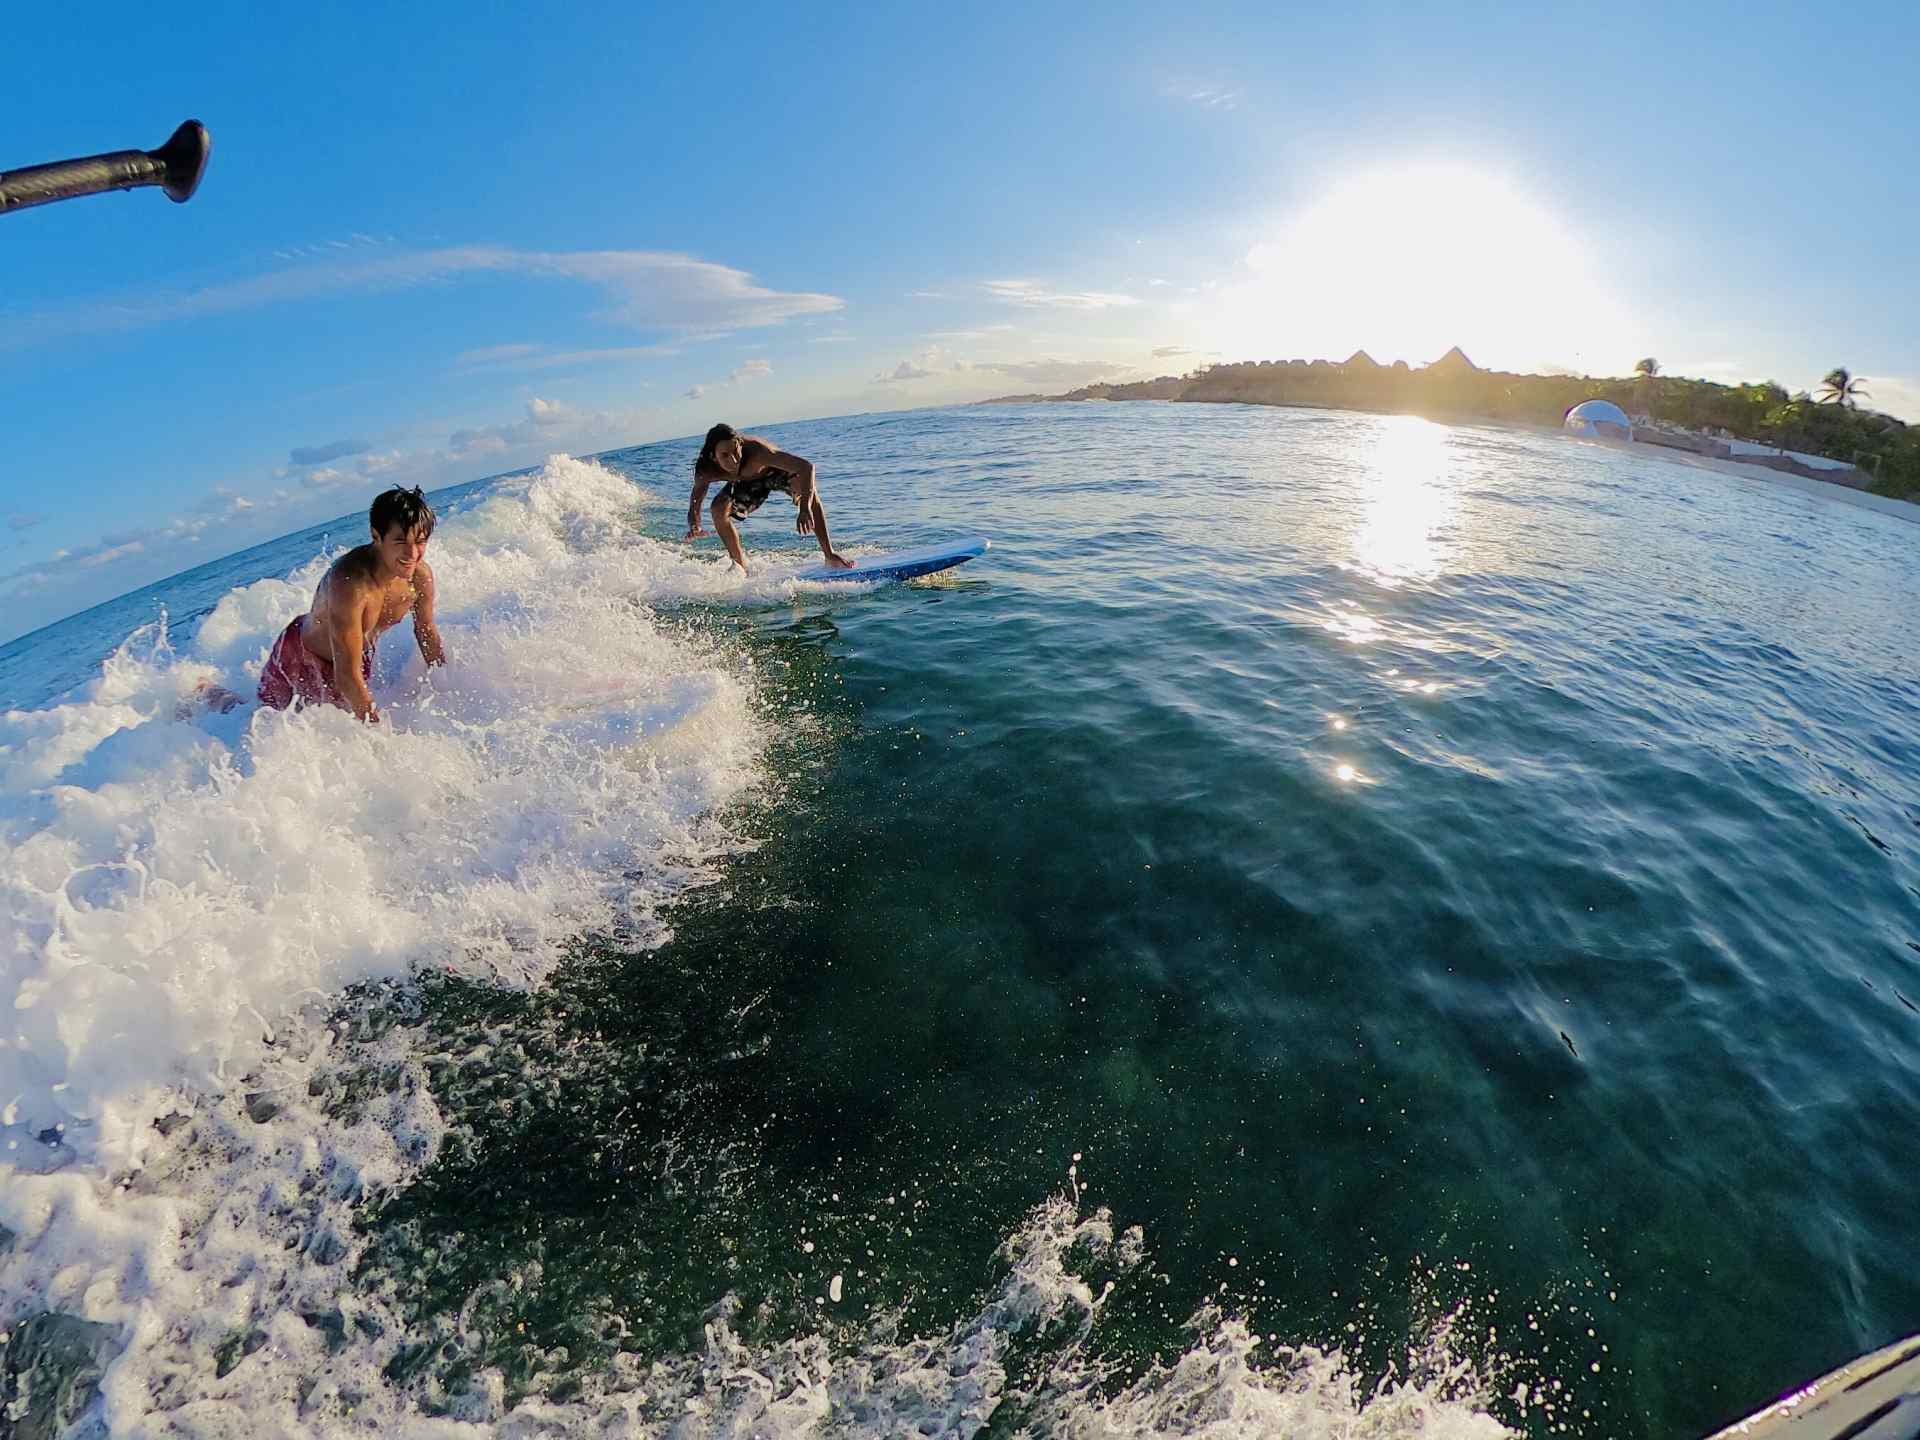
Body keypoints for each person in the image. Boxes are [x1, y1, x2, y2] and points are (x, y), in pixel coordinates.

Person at [256, 486, 446, 721]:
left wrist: (446, 684)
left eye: (420, 542)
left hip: (352, 660)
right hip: (299, 658)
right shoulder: (351, 585)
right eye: (400, 542)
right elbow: (346, 674)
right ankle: (209, 693)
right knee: (262, 721)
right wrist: (380, 737)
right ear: (377, 536)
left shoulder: (419, 578)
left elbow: (426, 631)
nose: (413, 553)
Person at [683, 423, 852, 575]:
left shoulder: (758, 451)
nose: (734, 460)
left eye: (736, 450)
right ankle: (740, 565)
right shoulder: (706, 470)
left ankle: (829, 554)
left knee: (807, 490)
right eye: (725, 455)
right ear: (713, 456)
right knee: (718, 508)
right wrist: (694, 525)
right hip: (747, 483)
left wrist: (804, 507)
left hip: (776, 473)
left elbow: (806, 467)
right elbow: (695, 502)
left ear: (740, 444)